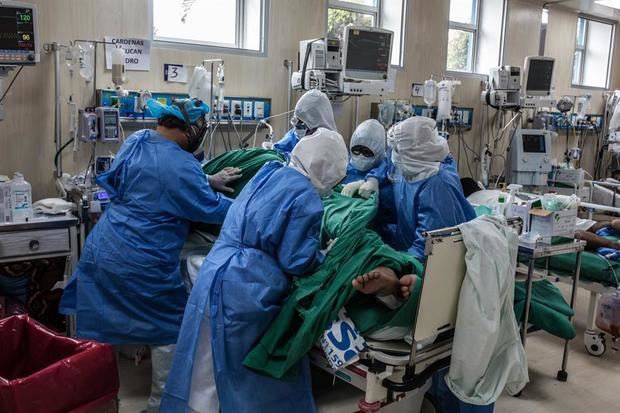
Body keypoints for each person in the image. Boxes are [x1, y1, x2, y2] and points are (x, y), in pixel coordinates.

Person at [59, 98, 241, 413]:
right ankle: (161, 406)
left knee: (100, 336)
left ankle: (96, 402)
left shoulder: (137, 140)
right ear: (188, 128)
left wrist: (205, 179)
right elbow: (211, 208)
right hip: (142, 259)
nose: (202, 132)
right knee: (169, 330)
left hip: (104, 249)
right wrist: (252, 205)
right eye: (201, 127)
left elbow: (127, 180)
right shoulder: (181, 165)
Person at [161, 128, 349, 413]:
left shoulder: (269, 171)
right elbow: (295, 259)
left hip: (215, 268)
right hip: (248, 285)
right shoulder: (305, 197)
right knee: (241, 376)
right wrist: (324, 254)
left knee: (201, 364)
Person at [387, 116, 476, 260]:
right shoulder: (411, 169)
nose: (393, 155)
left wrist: (400, 264)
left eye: (397, 150)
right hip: (407, 251)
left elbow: (430, 247)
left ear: (415, 152)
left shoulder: (436, 186)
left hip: (430, 266)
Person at [273, 89, 337, 155]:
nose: (297, 126)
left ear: (316, 123)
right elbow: (277, 151)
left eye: (301, 122)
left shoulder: (333, 145)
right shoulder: (293, 137)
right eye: (297, 120)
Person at [341, 119, 388, 199]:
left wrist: (371, 181)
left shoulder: (384, 169)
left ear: (378, 152)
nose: (361, 155)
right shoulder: (345, 162)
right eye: (356, 150)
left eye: (367, 152)